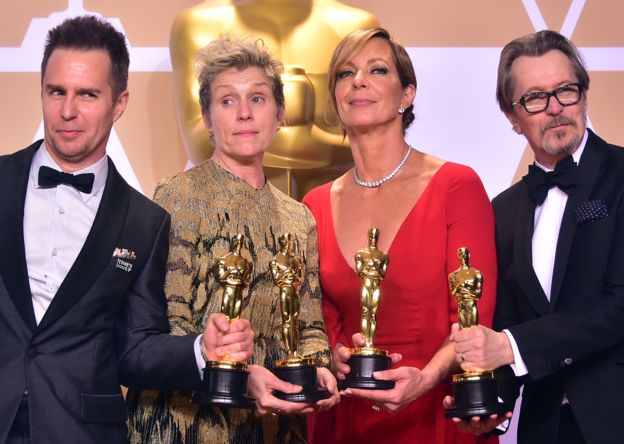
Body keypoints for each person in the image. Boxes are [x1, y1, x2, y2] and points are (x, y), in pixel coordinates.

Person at [0, 15, 252, 444]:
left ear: (119, 103)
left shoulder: (145, 221)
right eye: (56, 91)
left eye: (87, 94)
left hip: (80, 431)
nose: (67, 111)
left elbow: (135, 348)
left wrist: (201, 351)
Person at [126, 35, 339, 444]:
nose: (244, 113)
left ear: (280, 114)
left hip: (274, 426)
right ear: (207, 119)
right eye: (227, 101)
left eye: (257, 98)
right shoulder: (178, 195)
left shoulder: (299, 218)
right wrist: (241, 376)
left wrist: (318, 369)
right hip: (185, 424)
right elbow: (167, 323)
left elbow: (309, 326)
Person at [302, 27, 497, 444]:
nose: (359, 81)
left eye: (377, 70)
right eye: (345, 73)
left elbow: (474, 317)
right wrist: (333, 355)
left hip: (435, 415)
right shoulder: (314, 204)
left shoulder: (456, 186)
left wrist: (426, 378)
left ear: (407, 95)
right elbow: (320, 320)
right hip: (347, 419)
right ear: (335, 97)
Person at [448, 30, 624, 444]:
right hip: (544, 429)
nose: (555, 108)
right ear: (512, 116)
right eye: (535, 98)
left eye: (566, 90)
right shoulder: (503, 210)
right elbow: (508, 320)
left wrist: (511, 346)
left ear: (584, 95)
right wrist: (492, 405)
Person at [169, 0, 378, 198]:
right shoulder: (198, 25)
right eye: (228, 101)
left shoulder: (355, 26)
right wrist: (307, 136)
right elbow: (200, 145)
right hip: (231, 207)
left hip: (334, 208)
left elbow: (371, 144)